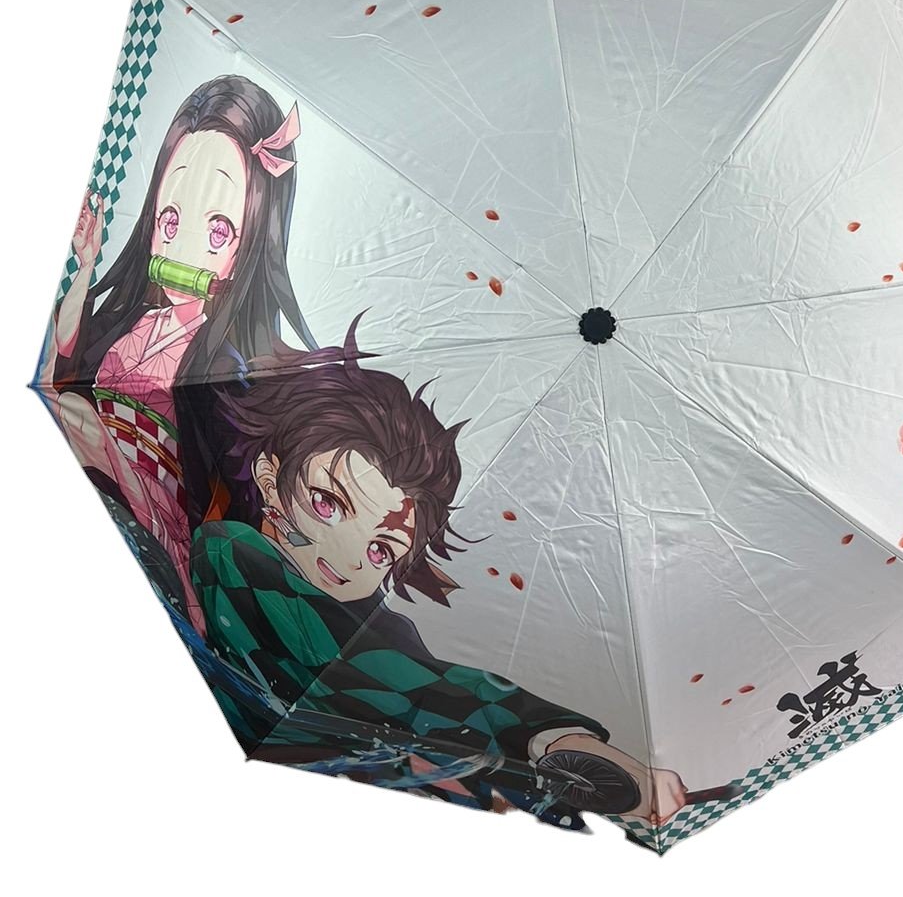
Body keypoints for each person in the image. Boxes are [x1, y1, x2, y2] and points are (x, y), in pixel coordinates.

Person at [192, 316, 688, 827]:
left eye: (382, 551)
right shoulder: (232, 550)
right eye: (328, 504)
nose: (351, 560)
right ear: (269, 479)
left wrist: (555, 738)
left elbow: (423, 677)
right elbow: (400, 682)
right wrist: (534, 734)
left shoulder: (376, 620)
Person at [40, 75, 314, 630]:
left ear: (250, 244)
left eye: (218, 231)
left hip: (153, 510)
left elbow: (228, 484)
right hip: (83, 463)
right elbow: (61, 366)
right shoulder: (129, 320)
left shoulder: (228, 368)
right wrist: (86, 265)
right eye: (171, 220)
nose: (184, 245)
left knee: (75, 420)